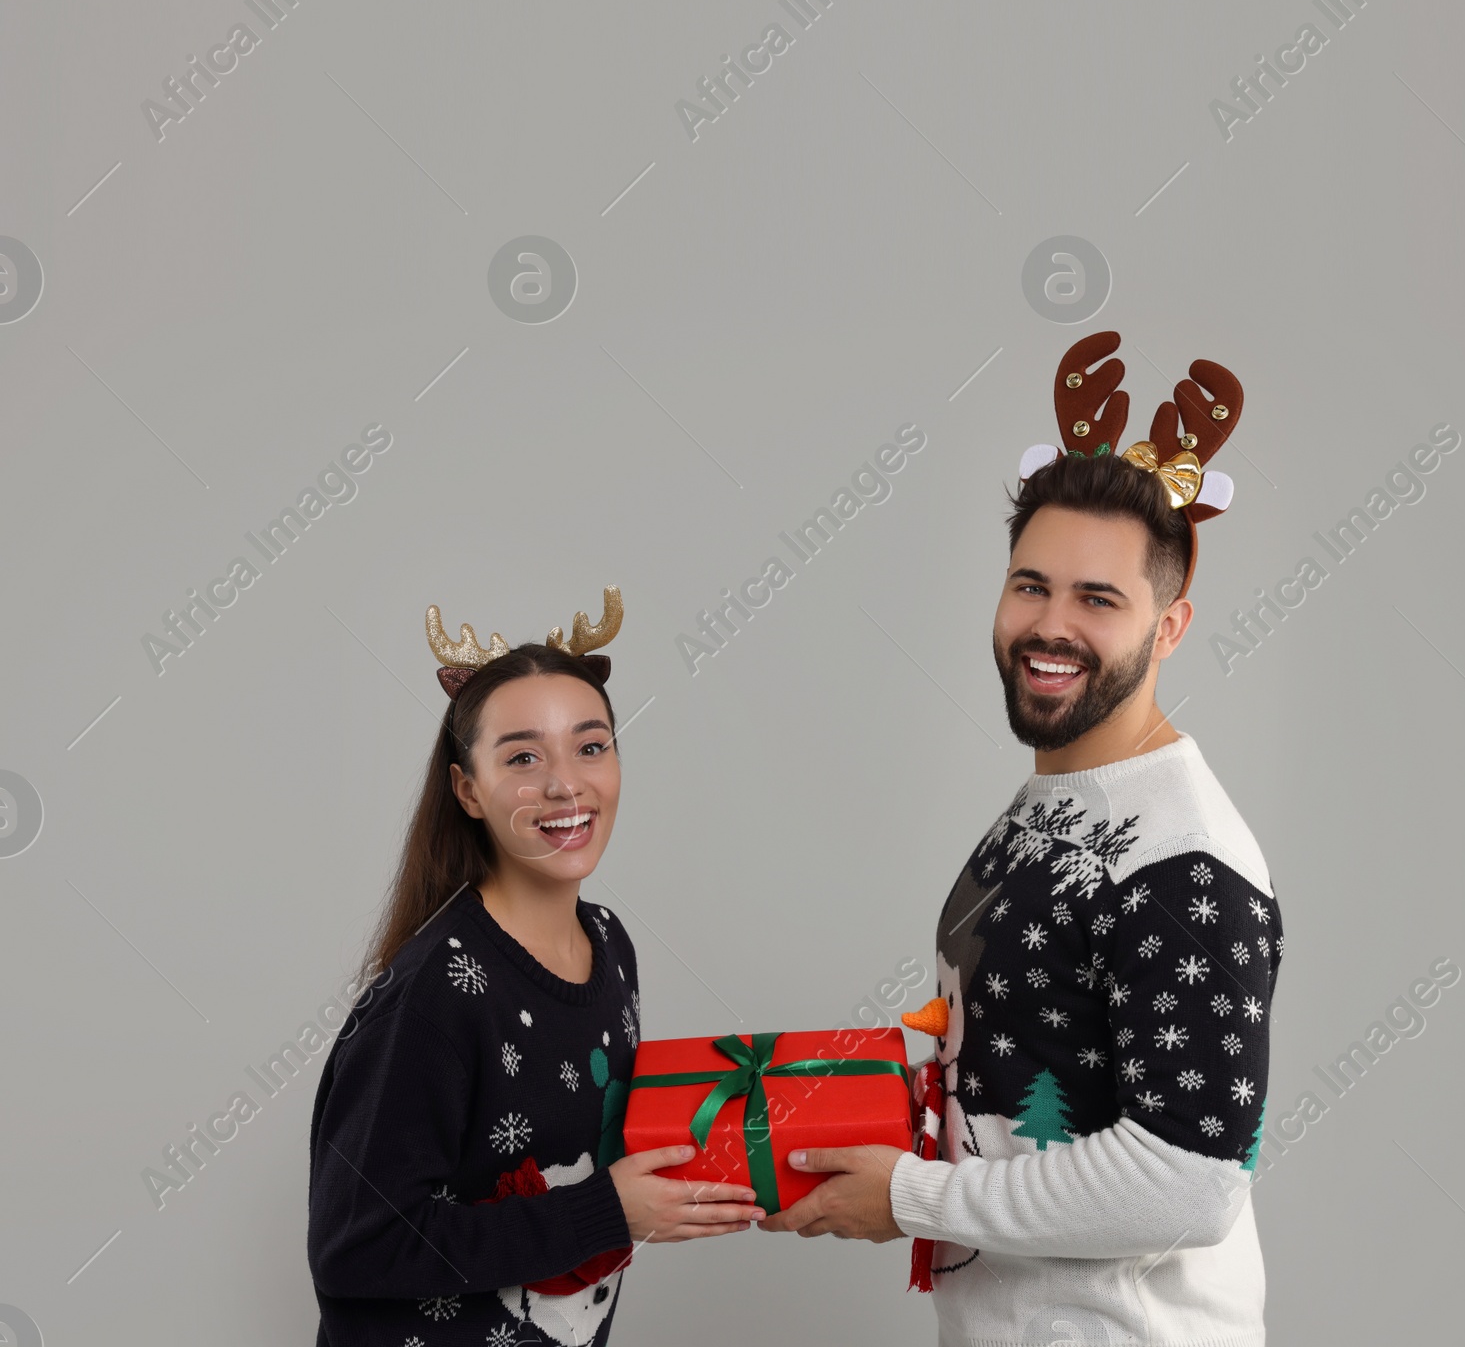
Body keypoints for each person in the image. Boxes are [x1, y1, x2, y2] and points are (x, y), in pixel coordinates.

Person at [761, 335, 1284, 1346]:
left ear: (1168, 628)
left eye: (1099, 599)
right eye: (1030, 584)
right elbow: (1003, 1035)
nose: (1050, 626)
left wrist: (912, 1197)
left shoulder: (1188, 860)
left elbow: (1188, 1181)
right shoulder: (1057, 800)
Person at [307, 589, 760, 1346]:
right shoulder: (435, 992)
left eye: (591, 746)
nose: (565, 784)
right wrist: (604, 1214)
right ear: (467, 791)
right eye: (523, 757)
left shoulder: (611, 946)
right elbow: (356, 1248)